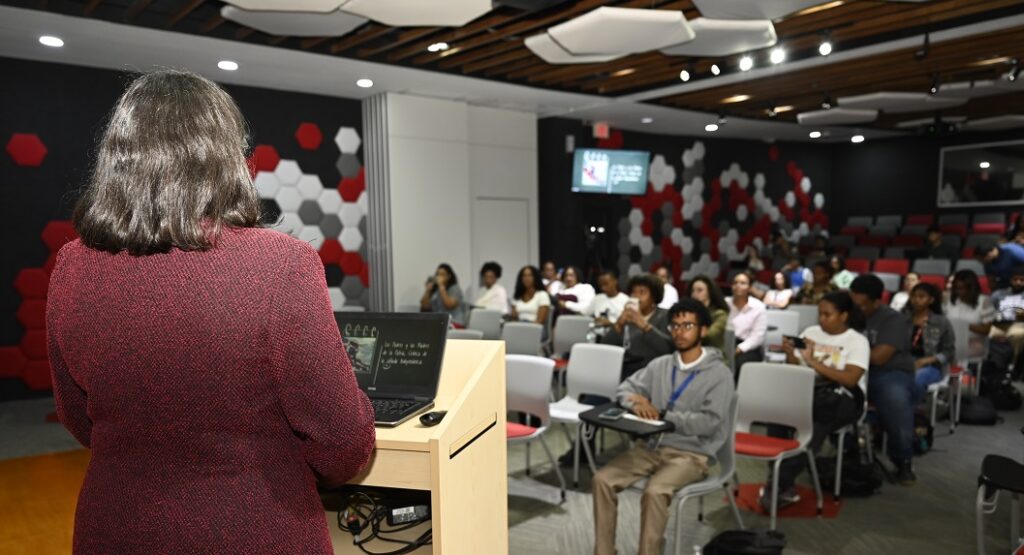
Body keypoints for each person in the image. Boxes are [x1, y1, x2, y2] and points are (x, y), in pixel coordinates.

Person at [47, 70, 376, 554]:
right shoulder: (281, 264)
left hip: (114, 528)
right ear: (229, 160)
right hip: (254, 529)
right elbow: (343, 441)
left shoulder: (72, 267)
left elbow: (78, 419)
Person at [592, 299, 735, 555]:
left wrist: (665, 415)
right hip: (650, 447)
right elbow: (625, 389)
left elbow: (709, 422)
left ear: (703, 330)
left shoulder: (719, 374)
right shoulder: (661, 365)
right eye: (675, 326)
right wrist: (635, 404)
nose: (680, 332)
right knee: (602, 480)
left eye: (688, 325)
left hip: (691, 454)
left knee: (655, 492)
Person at [763, 291, 870, 509]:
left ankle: (780, 485)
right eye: (820, 314)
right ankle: (780, 479)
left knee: (814, 420)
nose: (821, 319)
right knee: (778, 414)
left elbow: (851, 379)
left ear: (843, 316)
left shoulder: (857, 341)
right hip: (810, 392)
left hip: (844, 397)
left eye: (827, 315)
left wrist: (813, 362)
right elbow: (798, 371)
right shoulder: (810, 332)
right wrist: (792, 355)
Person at [849, 274, 916, 485]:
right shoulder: (848, 313)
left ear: (877, 301)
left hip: (889, 371)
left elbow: (880, 357)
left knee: (894, 399)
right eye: (853, 303)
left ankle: (903, 460)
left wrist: (845, 353)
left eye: (861, 305)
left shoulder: (893, 320)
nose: (856, 309)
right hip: (854, 368)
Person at [602, 274, 675, 380]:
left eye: (642, 292)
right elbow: (605, 347)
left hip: (651, 373)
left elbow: (667, 349)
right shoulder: (627, 317)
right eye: (633, 292)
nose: (636, 296)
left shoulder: (665, 316)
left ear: (654, 297)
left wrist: (644, 325)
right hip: (622, 371)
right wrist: (619, 324)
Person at [904, 282, 956, 405]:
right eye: (914, 296)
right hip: (905, 362)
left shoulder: (941, 322)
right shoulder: (903, 319)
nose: (916, 300)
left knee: (917, 379)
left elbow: (949, 352)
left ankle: (909, 411)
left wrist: (926, 360)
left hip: (931, 366)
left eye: (921, 297)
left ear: (931, 300)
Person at [944, 270, 995, 359]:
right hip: (950, 341)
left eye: (963, 288)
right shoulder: (949, 299)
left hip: (974, 342)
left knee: (952, 353)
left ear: (971, 288)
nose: (959, 292)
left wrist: (962, 325)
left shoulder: (984, 301)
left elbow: (986, 330)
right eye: (956, 288)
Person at [727, 270, 767, 378]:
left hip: (748, 347)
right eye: (735, 283)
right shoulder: (725, 304)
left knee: (739, 364)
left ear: (749, 287)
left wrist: (738, 349)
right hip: (727, 342)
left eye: (742, 283)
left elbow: (757, 337)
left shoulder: (758, 307)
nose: (738, 286)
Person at [989, 265, 1024, 364]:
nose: (1018, 282)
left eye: (1022, 280)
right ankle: (994, 364)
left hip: (1020, 326)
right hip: (1000, 324)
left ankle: (1013, 365)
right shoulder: (998, 294)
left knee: (1017, 334)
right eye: (1015, 279)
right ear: (1010, 279)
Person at [688, 275, 729, 352]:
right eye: (693, 291)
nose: (694, 294)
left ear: (709, 292)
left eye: (699, 290)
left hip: (714, 356)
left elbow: (709, 336)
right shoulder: (688, 313)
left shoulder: (720, 314)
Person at [510, 265, 551, 329]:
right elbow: (513, 318)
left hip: (536, 328)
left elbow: (540, 321)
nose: (527, 278)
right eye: (524, 276)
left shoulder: (542, 295)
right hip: (519, 327)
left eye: (530, 275)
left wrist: (526, 329)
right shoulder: (517, 296)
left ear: (535, 277)